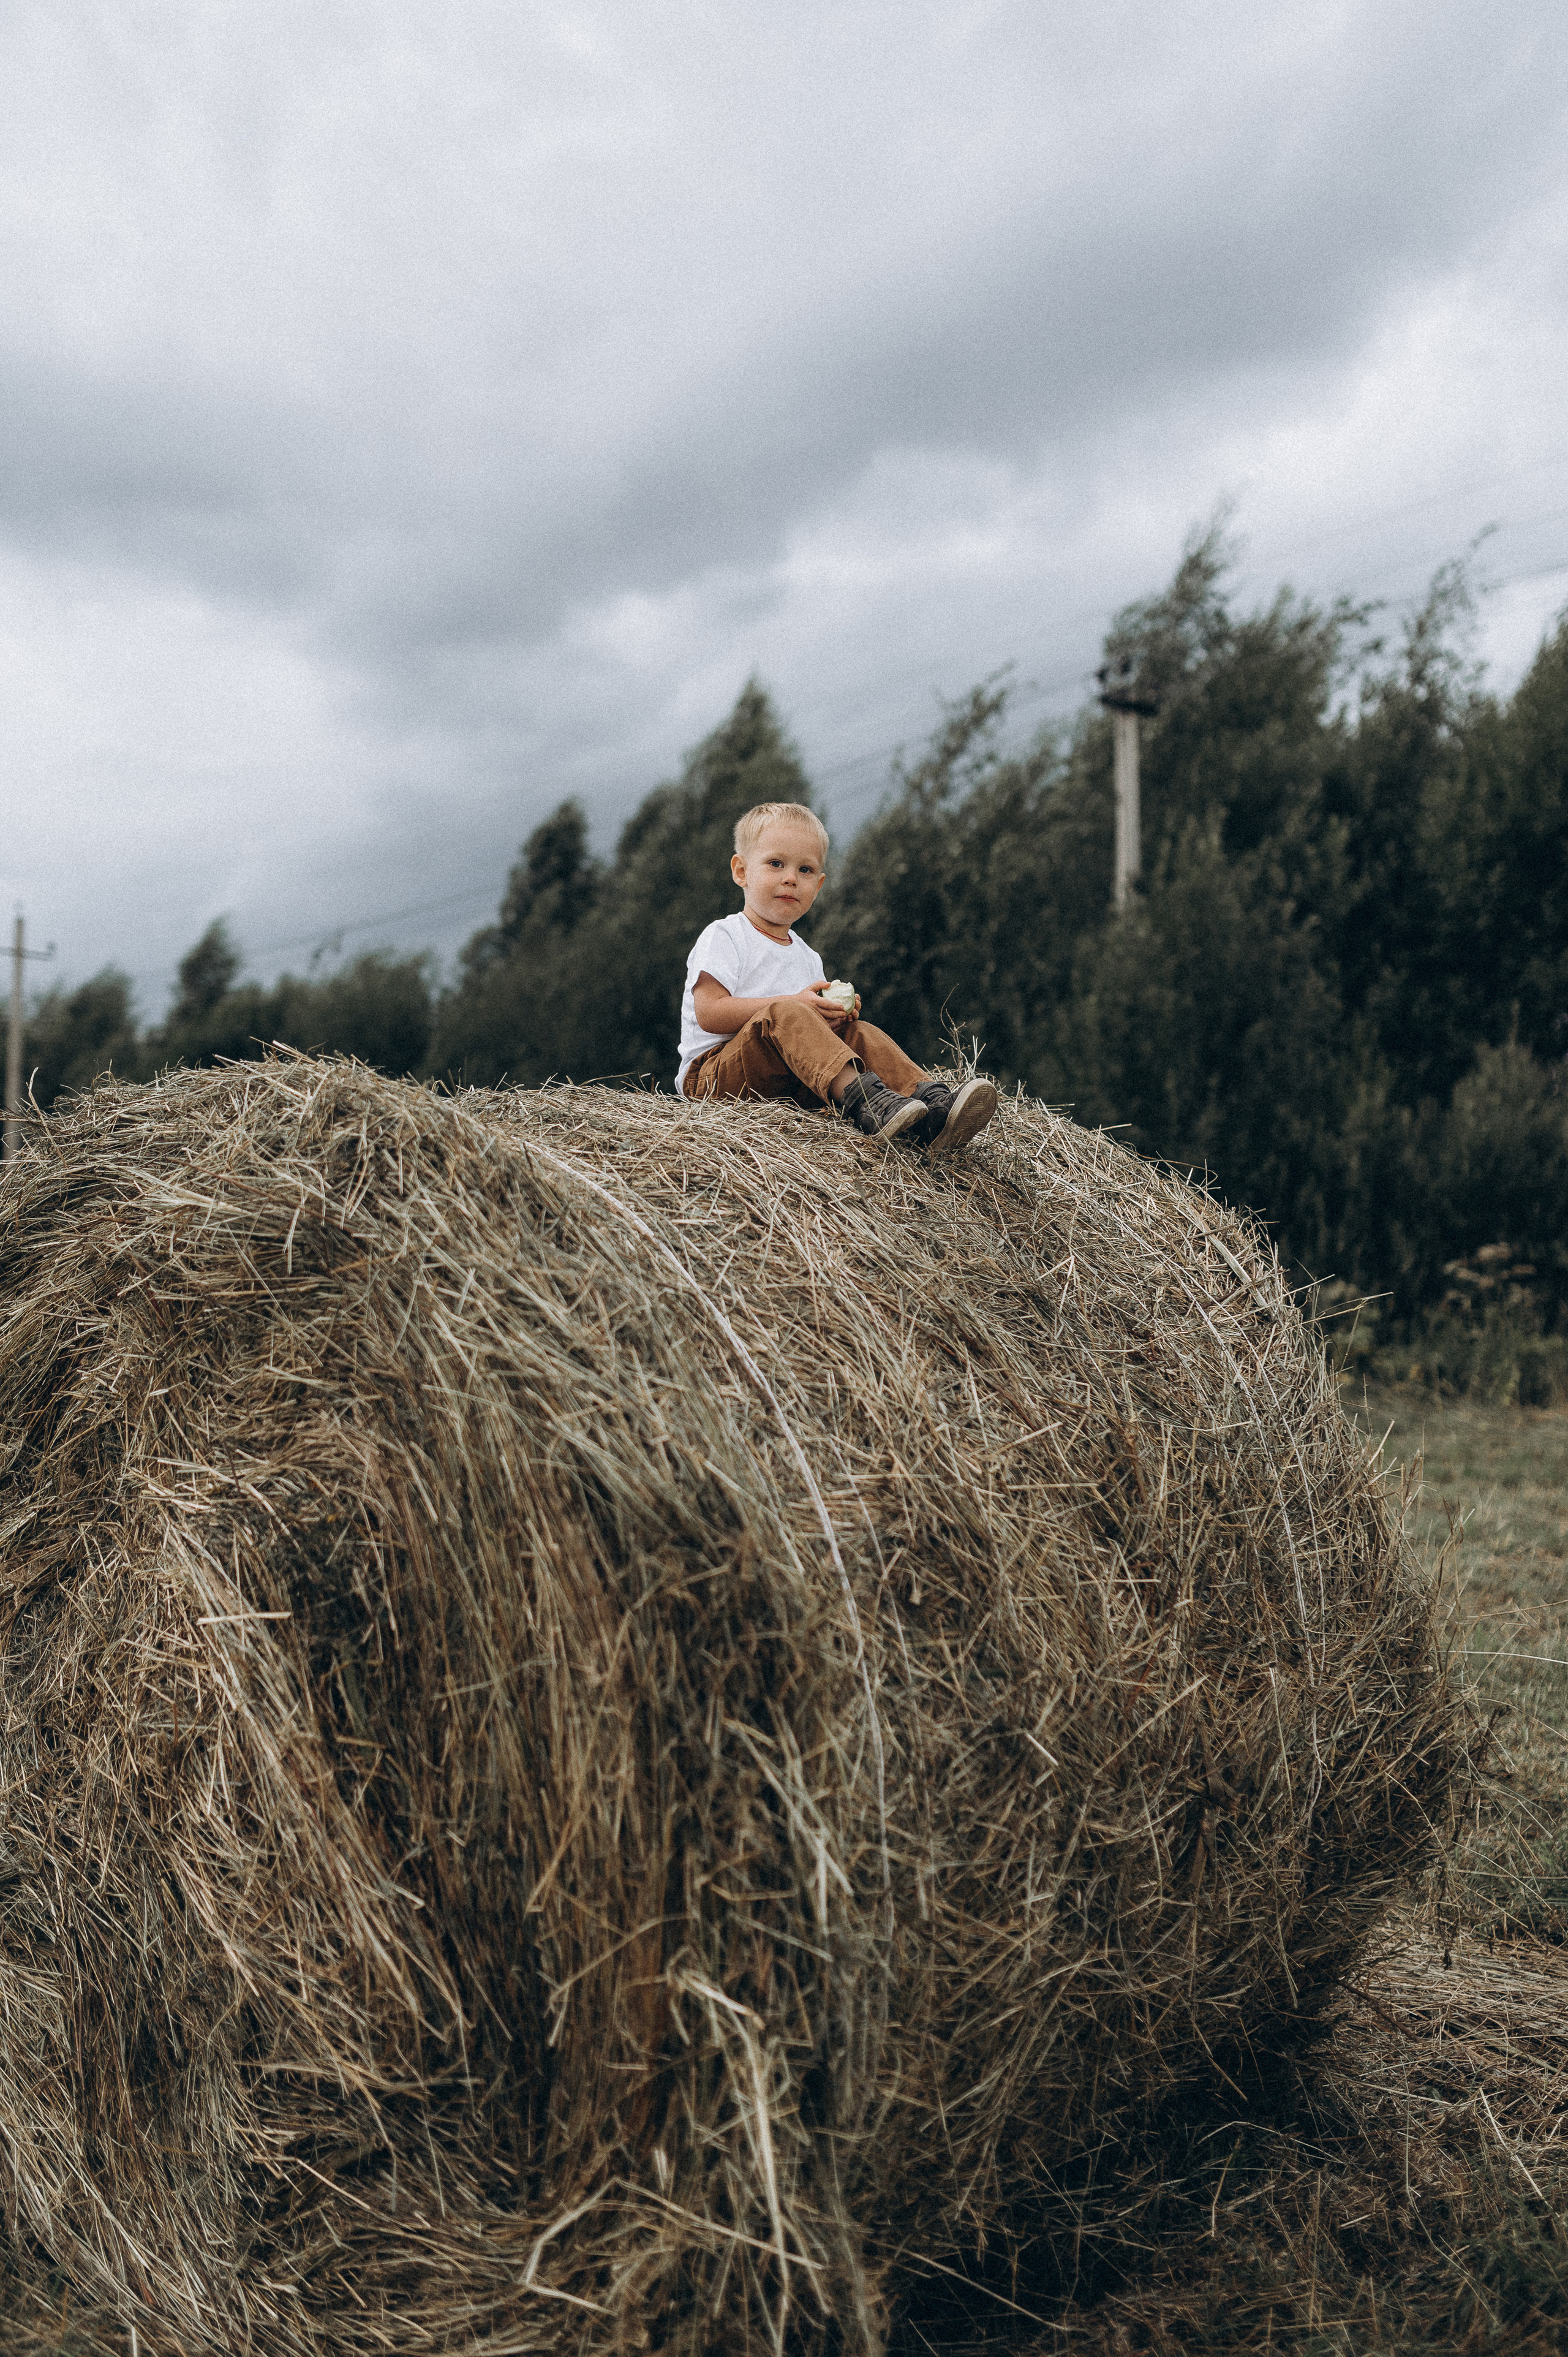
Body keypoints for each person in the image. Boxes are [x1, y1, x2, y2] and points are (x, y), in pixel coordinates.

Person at [677, 800, 998, 1151]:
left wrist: (833, 1018)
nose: (790, 878)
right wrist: (794, 1005)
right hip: (714, 1079)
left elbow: (807, 1036)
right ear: (741, 871)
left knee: (857, 1031)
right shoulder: (725, 936)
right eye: (775, 864)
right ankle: (866, 1103)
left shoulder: (808, 957)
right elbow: (710, 1014)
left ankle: (931, 1106)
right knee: (786, 1013)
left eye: (806, 870)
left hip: (789, 1083)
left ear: (819, 884)